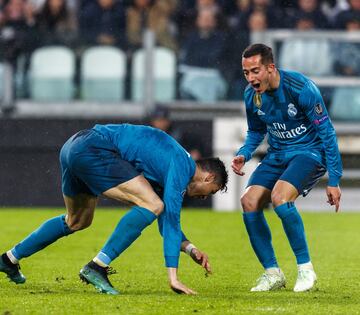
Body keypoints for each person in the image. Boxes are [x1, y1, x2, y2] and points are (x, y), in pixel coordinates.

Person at [0, 123, 228, 295]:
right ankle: (97, 266)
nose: (203, 198)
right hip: (95, 148)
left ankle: (9, 259)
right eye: (211, 192)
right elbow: (169, 221)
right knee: (152, 203)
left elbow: (166, 221)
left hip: (73, 146)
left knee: (76, 221)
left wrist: (190, 250)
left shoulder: (171, 164)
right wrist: (174, 278)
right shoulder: (183, 166)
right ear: (208, 178)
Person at [232, 44, 342, 292]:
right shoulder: (251, 95)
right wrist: (244, 153)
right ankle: (272, 273)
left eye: (255, 71)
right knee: (249, 201)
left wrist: (334, 179)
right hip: (277, 153)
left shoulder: (300, 88)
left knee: (279, 198)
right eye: (246, 72)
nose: (251, 78)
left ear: (270, 67)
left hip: (309, 153)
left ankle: (305, 269)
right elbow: (256, 131)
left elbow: (327, 133)